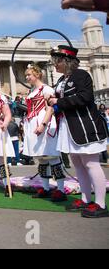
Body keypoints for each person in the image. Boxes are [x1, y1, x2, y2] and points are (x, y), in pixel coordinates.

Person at [47, 45, 108, 218]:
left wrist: (59, 102)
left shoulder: (82, 75)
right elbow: (59, 101)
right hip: (69, 127)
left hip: (85, 126)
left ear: (66, 61)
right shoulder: (61, 81)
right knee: (78, 164)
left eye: (56, 61)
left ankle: (101, 203)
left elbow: (85, 97)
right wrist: (53, 102)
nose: (54, 65)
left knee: (91, 164)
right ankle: (86, 199)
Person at [23, 65, 67, 202]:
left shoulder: (46, 89)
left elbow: (51, 108)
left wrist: (43, 124)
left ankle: (60, 190)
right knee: (41, 158)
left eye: (29, 74)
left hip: (44, 123)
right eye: (26, 75)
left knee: (52, 156)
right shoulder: (32, 90)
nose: (27, 77)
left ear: (37, 75)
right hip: (32, 123)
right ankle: (46, 188)